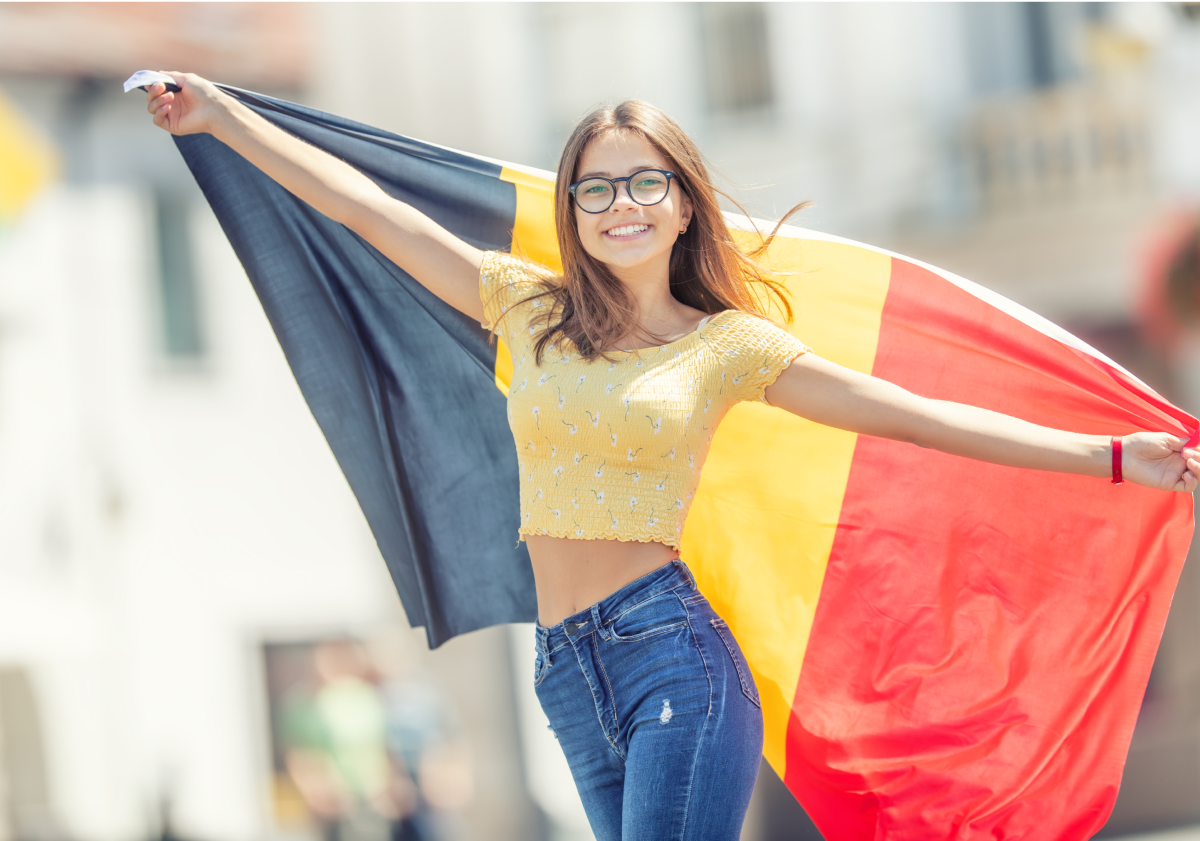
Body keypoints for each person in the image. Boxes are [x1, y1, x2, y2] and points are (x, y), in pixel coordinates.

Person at [143, 74, 1198, 841]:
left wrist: (1110, 456)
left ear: (684, 201)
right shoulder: (527, 310)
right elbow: (369, 211)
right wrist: (223, 119)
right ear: (574, 213)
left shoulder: (726, 344)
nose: (620, 207)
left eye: (642, 184)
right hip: (566, 668)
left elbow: (906, 414)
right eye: (595, 191)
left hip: (672, 657)